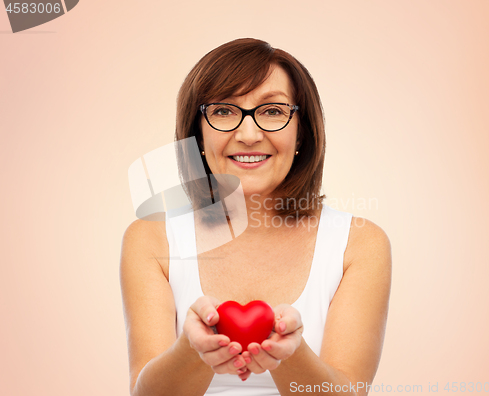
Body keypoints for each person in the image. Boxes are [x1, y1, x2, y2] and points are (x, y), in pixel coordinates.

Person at [120, 38, 392, 396]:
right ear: (197, 135)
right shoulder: (152, 238)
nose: (248, 134)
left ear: (302, 133)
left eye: (273, 111)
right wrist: (192, 349)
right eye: (223, 111)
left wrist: (290, 354)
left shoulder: (359, 243)